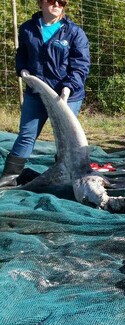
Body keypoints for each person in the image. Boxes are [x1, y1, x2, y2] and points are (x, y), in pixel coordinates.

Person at [0, 0, 90, 187]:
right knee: (26, 133)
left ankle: (64, 175)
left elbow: (80, 66)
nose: (57, 4)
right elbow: (22, 54)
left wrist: (68, 88)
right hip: (37, 92)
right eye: (51, 0)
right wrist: (22, 69)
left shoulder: (74, 32)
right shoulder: (27, 28)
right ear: (41, 4)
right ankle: (9, 177)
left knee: (67, 138)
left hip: (66, 95)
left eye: (62, 1)